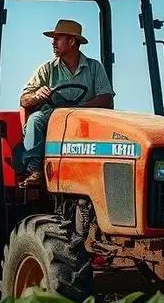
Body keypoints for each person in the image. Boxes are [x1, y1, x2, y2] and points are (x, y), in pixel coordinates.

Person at [18, 19, 115, 187]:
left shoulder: (94, 68)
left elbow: (106, 98)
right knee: (35, 120)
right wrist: (37, 95)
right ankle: (35, 170)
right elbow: (24, 99)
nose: (53, 43)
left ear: (71, 41)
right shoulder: (47, 69)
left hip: (86, 118)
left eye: (58, 38)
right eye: (53, 39)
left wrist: (77, 109)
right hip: (53, 116)